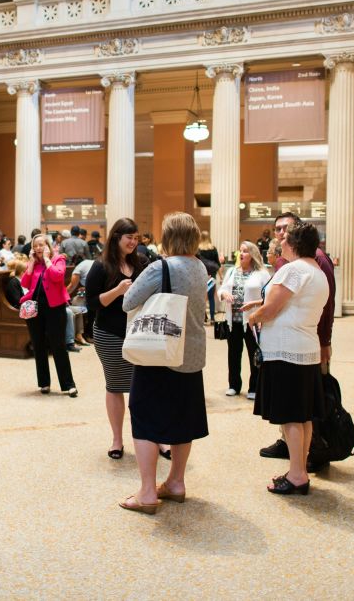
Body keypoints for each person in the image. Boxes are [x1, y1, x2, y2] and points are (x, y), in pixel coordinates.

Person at [118, 212, 208, 514]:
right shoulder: (199, 268)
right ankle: (176, 482)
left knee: (144, 416)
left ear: (168, 237)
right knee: (184, 418)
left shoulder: (161, 267)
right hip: (192, 353)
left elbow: (128, 301)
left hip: (162, 352)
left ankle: (146, 492)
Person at [246, 222, 329, 496]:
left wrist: (255, 316)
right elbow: (293, 303)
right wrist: (261, 306)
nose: (280, 242)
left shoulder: (293, 269)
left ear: (293, 244)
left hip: (285, 350)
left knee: (291, 416)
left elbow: (272, 309)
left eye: (284, 238)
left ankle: (296, 475)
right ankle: (299, 469)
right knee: (303, 416)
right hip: (305, 349)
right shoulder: (317, 272)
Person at [84, 218, 147, 460]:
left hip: (139, 335)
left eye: (136, 237)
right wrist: (118, 290)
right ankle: (117, 440)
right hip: (109, 334)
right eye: (129, 237)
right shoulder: (101, 266)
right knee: (115, 386)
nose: (133, 242)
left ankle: (153, 439)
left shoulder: (141, 263)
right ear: (116, 238)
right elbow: (92, 303)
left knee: (144, 387)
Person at [20, 234, 78, 397]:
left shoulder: (58, 259)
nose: (38, 248)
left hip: (55, 308)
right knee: (38, 345)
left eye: (41, 245)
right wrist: (31, 263)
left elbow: (58, 276)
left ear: (47, 246)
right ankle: (44, 383)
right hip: (35, 310)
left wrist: (47, 259)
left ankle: (68, 384)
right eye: (35, 245)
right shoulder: (33, 263)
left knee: (58, 345)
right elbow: (24, 283)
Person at [218, 241, 270, 398]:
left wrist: (256, 307)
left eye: (245, 251)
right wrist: (224, 294)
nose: (241, 254)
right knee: (233, 354)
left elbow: (268, 296)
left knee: (253, 354)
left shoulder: (262, 274)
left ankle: (254, 387)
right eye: (240, 251)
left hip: (252, 321)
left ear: (252, 254)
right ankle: (234, 385)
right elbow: (222, 289)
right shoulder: (232, 271)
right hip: (233, 321)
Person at [67, 254, 95, 346]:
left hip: (94, 292)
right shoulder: (91, 262)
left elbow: (71, 286)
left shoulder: (78, 268)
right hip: (102, 289)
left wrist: (62, 297)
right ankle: (89, 335)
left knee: (89, 311)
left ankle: (89, 335)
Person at [197, 230, 222, 323]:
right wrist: (221, 276)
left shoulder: (198, 249)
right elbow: (218, 264)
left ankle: (203, 317)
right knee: (211, 297)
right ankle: (212, 318)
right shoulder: (213, 248)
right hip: (212, 276)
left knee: (202, 296)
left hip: (201, 275)